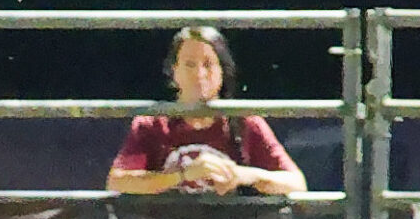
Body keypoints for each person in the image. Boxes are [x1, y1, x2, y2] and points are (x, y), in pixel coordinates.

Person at [107, 26, 306, 198]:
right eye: (190, 64)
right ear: (174, 71)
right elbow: (117, 182)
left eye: (208, 64)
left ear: (222, 72)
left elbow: (296, 183)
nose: (199, 74)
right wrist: (182, 175)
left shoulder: (244, 122)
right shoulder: (152, 123)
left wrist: (244, 175)